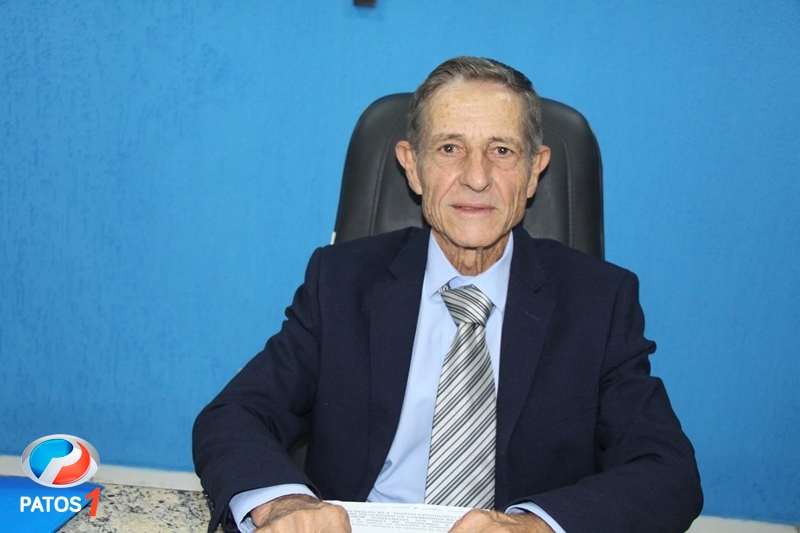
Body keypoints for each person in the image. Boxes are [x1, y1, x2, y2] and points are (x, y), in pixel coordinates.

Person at [193, 56, 703, 533]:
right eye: (449, 149)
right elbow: (235, 415)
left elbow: (667, 470)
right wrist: (284, 505)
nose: (476, 178)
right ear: (412, 166)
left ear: (534, 170)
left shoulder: (598, 301)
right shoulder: (341, 282)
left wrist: (536, 526)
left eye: (502, 151)